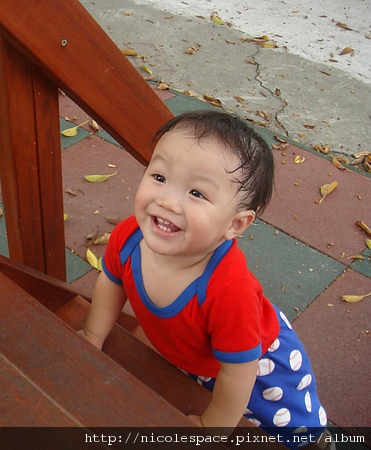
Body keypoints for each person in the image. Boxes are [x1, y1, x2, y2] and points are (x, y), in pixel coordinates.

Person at [80, 110, 331, 449]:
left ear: (236, 225)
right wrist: (94, 334)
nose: (167, 201)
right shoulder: (129, 237)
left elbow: (239, 373)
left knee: (281, 431)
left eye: (197, 193)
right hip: (195, 354)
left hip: (254, 368)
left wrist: (212, 427)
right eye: (159, 176)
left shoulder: (230, 291)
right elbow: (112, 283)